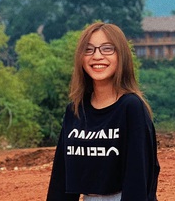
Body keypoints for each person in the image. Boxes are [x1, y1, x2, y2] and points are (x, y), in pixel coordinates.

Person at [46, 22, 160, 201]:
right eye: (89, 50)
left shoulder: (131, 107)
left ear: (121, 55)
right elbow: (61, 178)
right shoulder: (75, 110)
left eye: (107, 49)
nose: (97, 56)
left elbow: (138, 176)